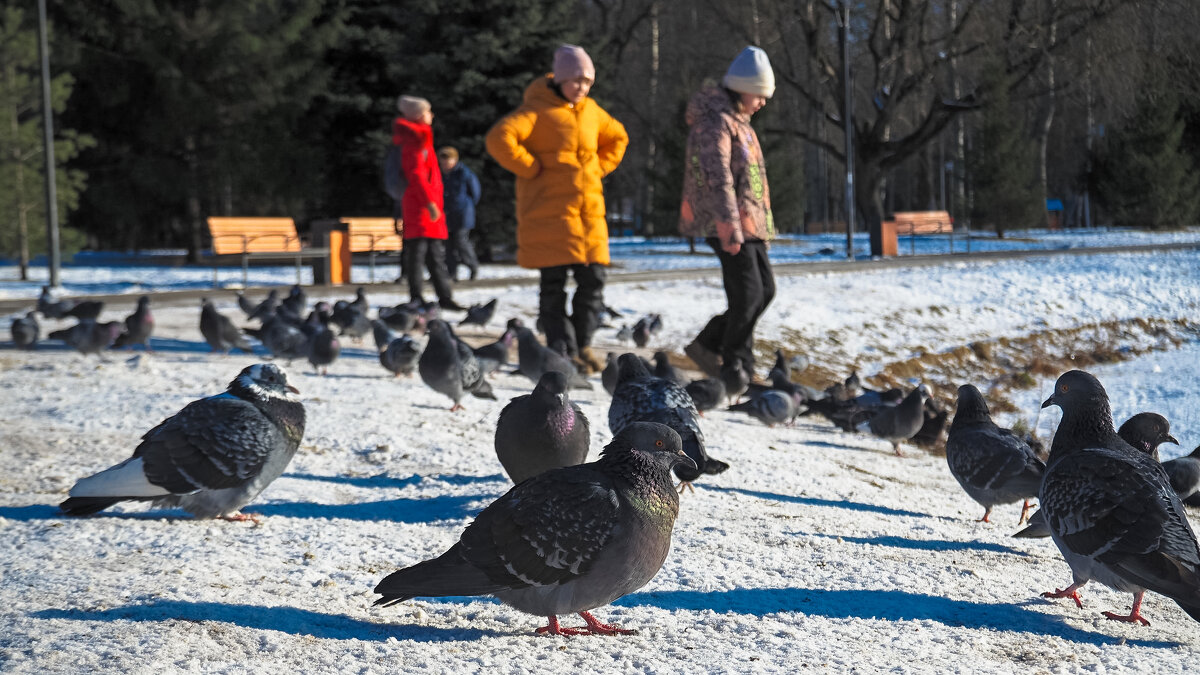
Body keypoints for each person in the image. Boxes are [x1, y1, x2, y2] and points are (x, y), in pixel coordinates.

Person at [486, 44, 628, 373]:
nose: (582, 87)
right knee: (553, 287)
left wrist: (598, 167)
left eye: (587, 81)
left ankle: (583, 343)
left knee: (593, 281)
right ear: (560, 79)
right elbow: (499, 138)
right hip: (549, 219)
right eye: (576, 80)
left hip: (588, 219)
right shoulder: (536, 110)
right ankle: (562, 348)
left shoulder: (592, 111)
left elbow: (618, 138)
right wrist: (530, 167)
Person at [680, 46, 777, 379]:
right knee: (747, 295)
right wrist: (727, 227)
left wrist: (761, 228)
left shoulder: (741, 124)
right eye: (760, 94)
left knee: (764, 291)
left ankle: (712, 345)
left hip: (748, 225)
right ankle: (736, 363)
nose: (763, 102)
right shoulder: (716, 123)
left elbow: (752, 184)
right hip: (725, 224)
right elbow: (717, 179)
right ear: (743, 88)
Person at [393, 95, 462, 310]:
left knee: (433, 257)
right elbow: (417, 177)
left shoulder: (422, 141)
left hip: (426, 209)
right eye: (427, 111)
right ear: (418, 115)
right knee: (418, 256)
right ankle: (418, 297)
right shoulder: (414, 143)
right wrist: (431, 204)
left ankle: (444, 297)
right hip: (421, 209)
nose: (431, 115)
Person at [438, 147, 482, 281]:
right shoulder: (440, 174)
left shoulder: (464, 173)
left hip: (463, 213)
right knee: (448, 244)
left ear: (455, 160)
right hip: (446, 214)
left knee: (460, 241)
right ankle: (452, 273)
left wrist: (465, 206)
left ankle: (472, 265)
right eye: (443, 161)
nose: (446, 164)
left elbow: (475, 193)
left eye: (448, 160)